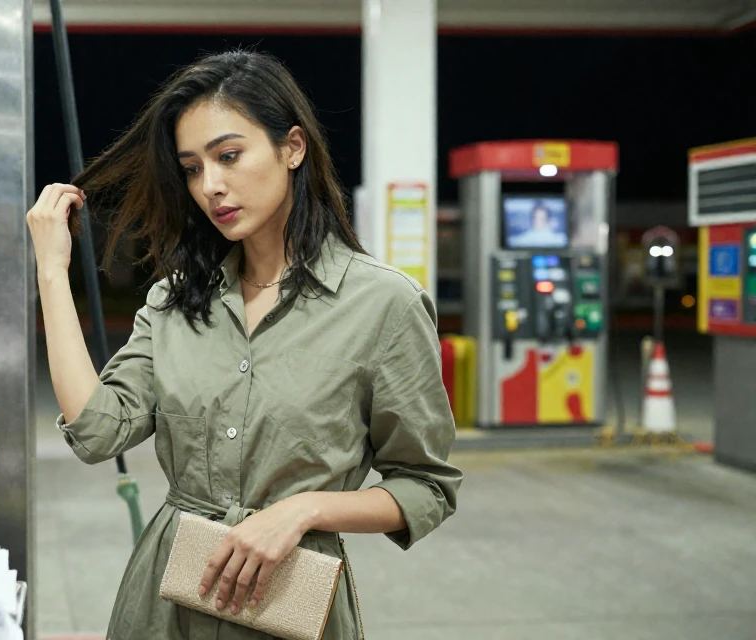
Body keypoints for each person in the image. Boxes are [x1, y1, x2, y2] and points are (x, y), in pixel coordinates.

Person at [27, 50, 462, 639]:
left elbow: (426, 486)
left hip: (290, 601)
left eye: (229, 156)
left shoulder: (384, 306)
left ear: (293, 148)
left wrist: (304, 510)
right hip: (165, 603)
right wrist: (53, 274)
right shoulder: (176, 300)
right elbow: (99, 431)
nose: (211, 185)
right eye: (191, 168)